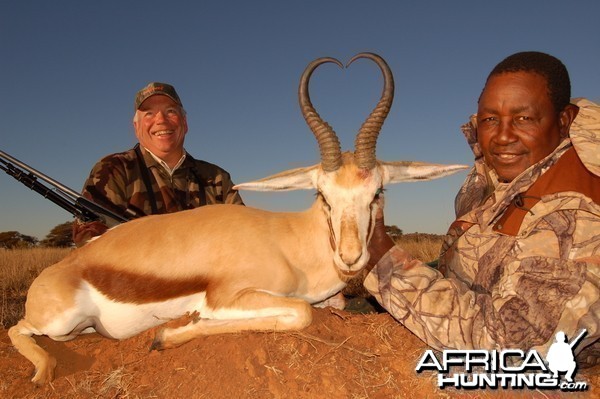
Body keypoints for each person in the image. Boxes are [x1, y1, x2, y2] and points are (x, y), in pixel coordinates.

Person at [364, 51, 600, 367]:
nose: (501, 137)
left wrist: (382, 259)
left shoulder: (576, 216)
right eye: (490, 119)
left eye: (524, 118)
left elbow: (512, 349)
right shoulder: (509, 177)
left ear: (563, 120)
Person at [73, 82, 244, 246]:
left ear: (184, 123)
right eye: (149, 113)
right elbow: (89, 240)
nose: (161, 120)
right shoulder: (113, 169)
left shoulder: (216, 178)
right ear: (136, 127)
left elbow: (242, 235)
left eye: (170, 111)